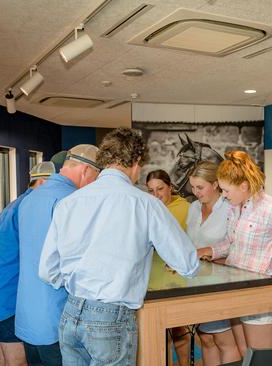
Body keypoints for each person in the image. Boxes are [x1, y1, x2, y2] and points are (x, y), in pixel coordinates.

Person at [38, 127, 200, 365]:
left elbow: (47, 271)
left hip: (71, 313)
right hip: (111, 318)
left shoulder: (68, 203)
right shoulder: (145, 204)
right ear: (136, 162)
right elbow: (187, 264)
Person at [197, 151, 272, 349]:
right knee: (243, 354)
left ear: (244, 185)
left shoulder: (271, 210)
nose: (223, 195)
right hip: (234, 289)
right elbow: (231, 244)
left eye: (226, 190)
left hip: (259, 293)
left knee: (260, 359)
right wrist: (208, 251)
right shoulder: (235, 206)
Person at [15, 144, 100, 366]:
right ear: (85, 170)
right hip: (56, 318)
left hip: (28, 316)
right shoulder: (72, 201)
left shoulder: (29, 199)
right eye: (97, 177)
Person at [0, 161, 55, 366]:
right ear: (42, 182)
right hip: (8, 300)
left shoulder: (16, 204)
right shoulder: (29, 207)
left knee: (2, 359)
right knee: (18, 361)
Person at [186, 161, 241, 366]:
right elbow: (190, 242)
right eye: (193, 187)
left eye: (200, 187)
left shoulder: (230, 209)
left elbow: (235, 246)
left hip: (222, 283)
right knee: (207, 339)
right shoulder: (193, 208)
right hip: (197, 283)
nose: (195, 192)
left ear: (216, 184)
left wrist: (210, 254)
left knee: (224, 340)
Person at [146, 168, 193, 364]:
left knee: (178, 327)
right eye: (151, 190)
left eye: (160, 188)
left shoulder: (185, 208)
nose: (156, 194)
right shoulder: (147, 208)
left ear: (170, 187)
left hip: (175, 275)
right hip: (151, 275)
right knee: (157, 328)